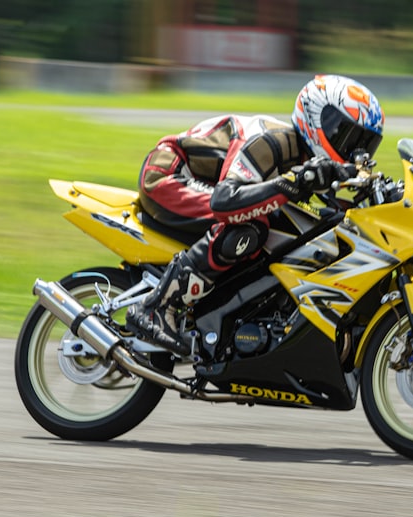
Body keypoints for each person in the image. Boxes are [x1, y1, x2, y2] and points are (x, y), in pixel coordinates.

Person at [126, 74, 385, 356]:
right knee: (251, 226)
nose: (351, 151)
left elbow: (331, 211)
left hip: (208, 188)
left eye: (363, 144)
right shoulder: (272, 140)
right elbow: (225, 202)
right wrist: (294, 182)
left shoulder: (308, 161)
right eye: (345, 135)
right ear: (316, 119)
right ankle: (157, 308)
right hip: (170, 176)